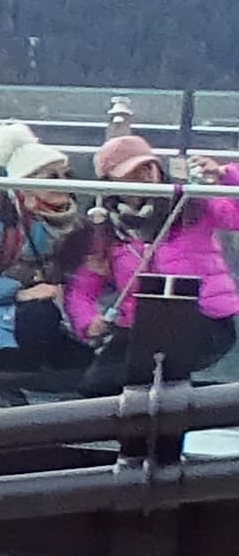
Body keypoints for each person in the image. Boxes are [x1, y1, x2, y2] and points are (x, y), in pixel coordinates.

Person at [64, 131, 236, 399]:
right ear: (110, 182)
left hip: (205, 318)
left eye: (147, 166)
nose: (144, 175)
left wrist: (225, 176)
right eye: (130, 171)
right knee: (96, 387)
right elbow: (83, 288)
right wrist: (89, 321)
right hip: (139, 326)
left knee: (153, 377)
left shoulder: (193, 201)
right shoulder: (105, 229)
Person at [0, 125, 89, 404]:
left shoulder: (72, 224)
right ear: (25, 183)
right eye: (52, 177)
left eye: (66, 175)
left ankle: (11, 382)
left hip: (45, 317)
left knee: (90, 371)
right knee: (40, 314)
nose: (64, 183)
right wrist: (18, 293)